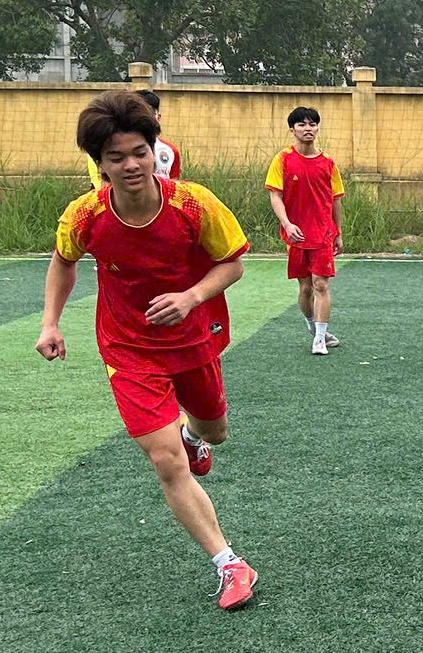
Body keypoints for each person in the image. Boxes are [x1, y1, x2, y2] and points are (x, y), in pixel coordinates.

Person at [39, 89, 262, 610]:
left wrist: (191, 297)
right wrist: (50, 322)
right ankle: (230, 564)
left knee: (215, 431)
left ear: (154, 149)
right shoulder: (84, 215)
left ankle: (193, 435)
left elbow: (233, 262)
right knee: (166, 461)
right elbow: (63, 263)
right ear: (99, 164)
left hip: (193, 338)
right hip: (128, 349)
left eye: (139, 152)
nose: (132, 165)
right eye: (116, 157)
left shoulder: (194, 203)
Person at [265, 104, 344, 356]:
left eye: (312, 124)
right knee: (306, 288)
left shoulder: (328, 162)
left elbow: (336, 199)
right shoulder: (282, 159)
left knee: (321, 284)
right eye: (302, 124)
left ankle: (320, 339)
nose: (307, 128)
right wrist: (287, 224)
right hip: (296, 236)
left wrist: (338, 232)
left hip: (323, 235)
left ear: (317, 128)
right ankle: (313, 327)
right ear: (292, 129)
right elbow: (275, 196)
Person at [84, 87, 179, 184]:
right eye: (117, 159)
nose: (131, 166)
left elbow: (174, 182)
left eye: (141, 154)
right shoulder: (101, 146)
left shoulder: (170, 151)